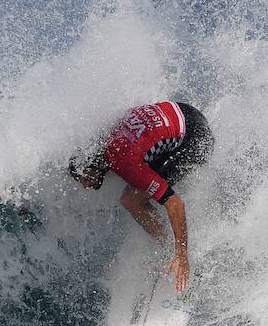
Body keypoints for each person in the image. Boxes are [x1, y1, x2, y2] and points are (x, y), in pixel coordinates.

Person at [68, 101, 213, 292]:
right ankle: (170, 247)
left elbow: (175, 204)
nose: (84, 185)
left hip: (196, 140)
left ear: (93, 169)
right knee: (142, 177)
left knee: (131, 200)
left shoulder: (126, 165)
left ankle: (173, 254)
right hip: (184, 111)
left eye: (84, 179)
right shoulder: (107, 137)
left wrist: (182, 254)